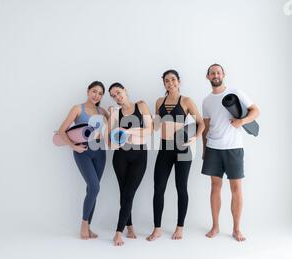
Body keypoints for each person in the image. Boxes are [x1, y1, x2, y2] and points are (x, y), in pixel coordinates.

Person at [201, 64, 260, 242]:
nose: (216, 75)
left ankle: (236, 229)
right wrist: (204, 149)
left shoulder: (235, 92)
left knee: (236, 189)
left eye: (218, 72)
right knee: (215, 188)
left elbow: (256, 111)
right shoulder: (206, 101)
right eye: (212, 73)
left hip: (233, 148)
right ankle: (215, 226)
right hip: (213, 148)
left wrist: (242, 121)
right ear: (208, 77)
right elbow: (205, 127)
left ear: (223, 75)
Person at [146, 70, 205, 241]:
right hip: (164, 148)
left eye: (173, 79)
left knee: (181, 188)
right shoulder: (159, 101)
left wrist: (195, 138)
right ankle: (157, 229)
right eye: (166, 81)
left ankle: (180, 227)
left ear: (179, 81)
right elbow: (156, 125)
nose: (170, 83)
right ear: (163, 84)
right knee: (158, 188)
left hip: (182, 149)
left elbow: (200, 123)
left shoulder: (186, 101)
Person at [57, 81, 109, 240]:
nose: (96, 95)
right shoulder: (77, 109)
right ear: (88, 91)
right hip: (83, 153)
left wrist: (114, 113)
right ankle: (84, 225)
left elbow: (114, 123)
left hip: (100, 153)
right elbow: (61, 131)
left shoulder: (102, 111)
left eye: (100, 93)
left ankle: (89, 226)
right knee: (94, 187)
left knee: (93, 189)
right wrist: (74, 146)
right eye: (94, 91)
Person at [107, 83, 153, 246]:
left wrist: (127, 131)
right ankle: (126, 228)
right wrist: (115, 131)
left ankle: (121, 230)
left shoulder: (141, 105)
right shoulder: (115, 113)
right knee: (124, 192)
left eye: (118, 92)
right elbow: (110, 142)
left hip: (140, 155)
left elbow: (150, 129)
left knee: (129, 192)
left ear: (125, 90)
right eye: (113, 96)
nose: (117, 97)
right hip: (120, 157)